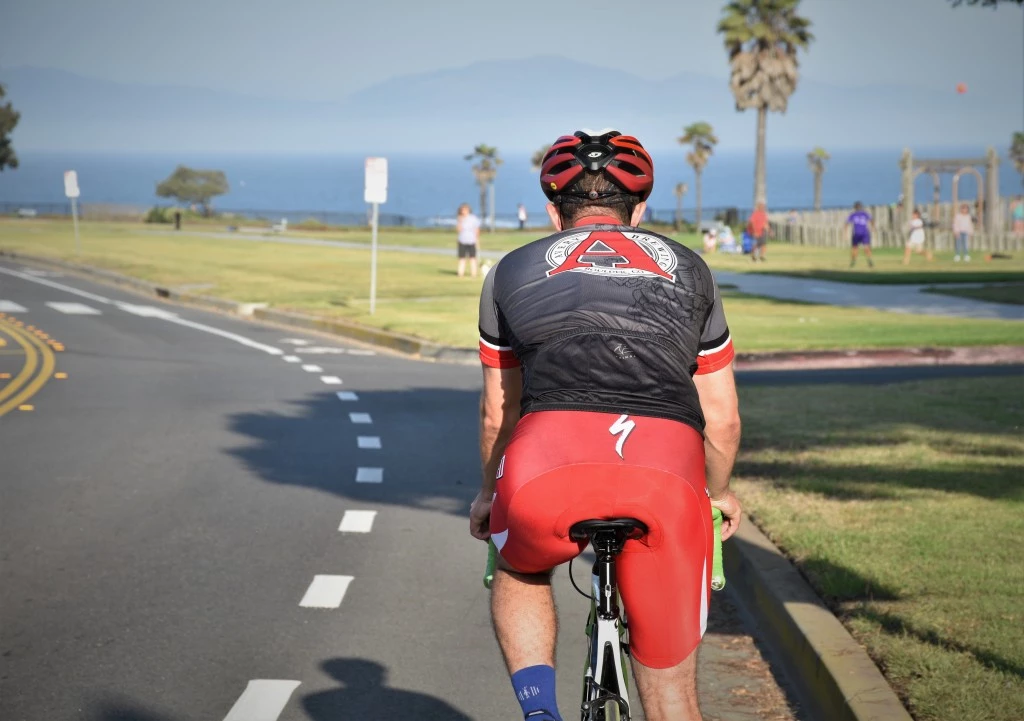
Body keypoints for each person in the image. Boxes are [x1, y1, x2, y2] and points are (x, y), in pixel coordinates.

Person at [470, 130, 742, 721]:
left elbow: (500, 413)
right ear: (639, 210)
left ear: (552, 210)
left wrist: (490, 494)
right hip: (664, 474)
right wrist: (716, 493)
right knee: (674, 699)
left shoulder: (508, 273)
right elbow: (722, 419)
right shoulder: (693, 271)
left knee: (519, 566)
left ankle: (540, 712)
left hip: (548, 465)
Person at [846, 201, 874, 268]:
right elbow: (846, 223)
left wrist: (872, 227)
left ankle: (869, 261)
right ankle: (854, 262)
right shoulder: (856, 214)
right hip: (859, 233)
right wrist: (872, 227)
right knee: (858, 248)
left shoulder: (862, 214)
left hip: (862, 233)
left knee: (864, 248)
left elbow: (871, 220)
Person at [456, 203, 481, 278]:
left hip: (471, 240)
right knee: (462, 258)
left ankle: (474, 273)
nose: (464, 211)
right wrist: (460, 221)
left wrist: (477, 238)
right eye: (462, 210)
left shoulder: (473, 218)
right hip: (462, 240)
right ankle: (460, 273)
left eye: (465, 210)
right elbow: (458, 230)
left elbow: (476, 229)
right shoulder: (460, 218)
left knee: (472, 258)